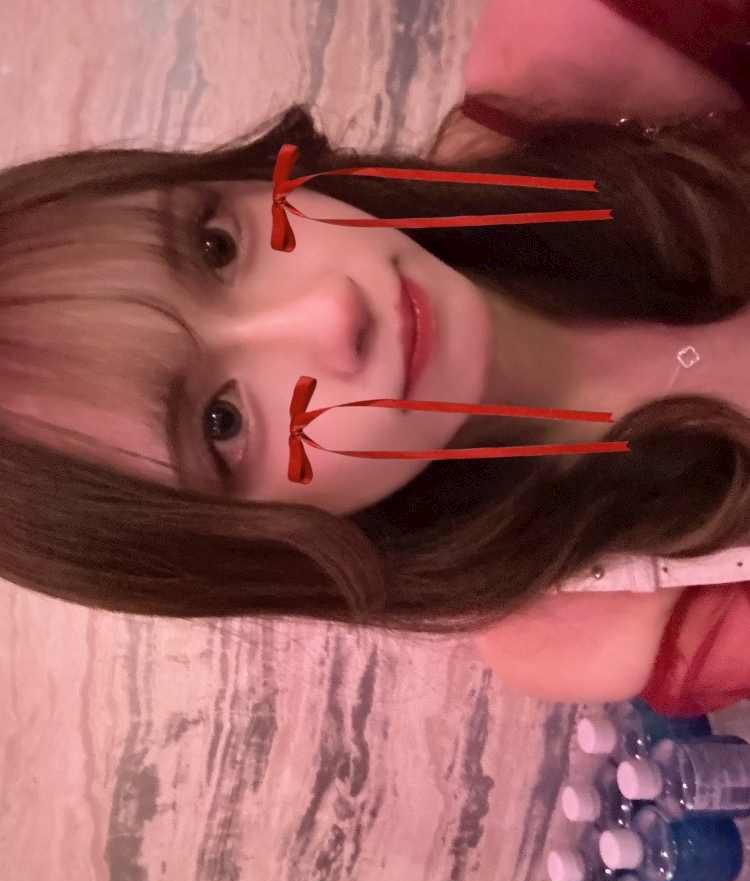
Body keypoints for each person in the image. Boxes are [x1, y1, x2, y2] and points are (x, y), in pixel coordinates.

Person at [1, 5, 749, 713]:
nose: (332, 313)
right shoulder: (579, 627)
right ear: (257, 546)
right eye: (222, 422)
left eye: (216, 245)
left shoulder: (569, 58)